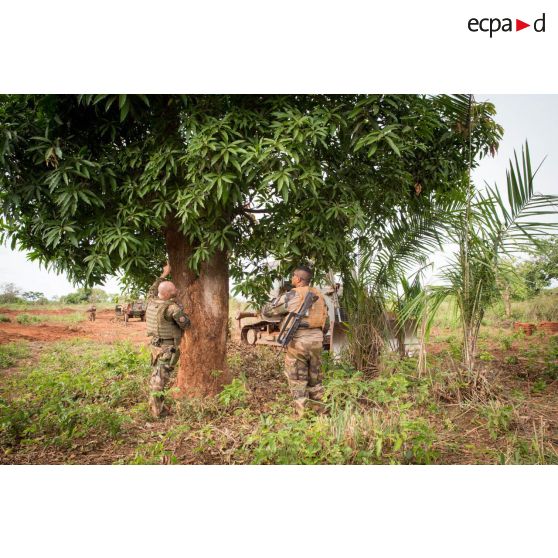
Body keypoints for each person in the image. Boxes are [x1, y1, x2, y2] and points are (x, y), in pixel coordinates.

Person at [261, 265, 329, 417]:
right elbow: (327, 322)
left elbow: (268, 311)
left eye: (293, 276)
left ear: (298, 279)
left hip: (298, 341)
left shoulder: (292, 295)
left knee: (298, 381)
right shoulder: (320, 296)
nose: (292, 278)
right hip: (317, 342)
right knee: (316, 381)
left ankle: (303, 418)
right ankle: (322, 415)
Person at [145, 263, 190, 418]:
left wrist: (164, 274)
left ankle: (155, 406)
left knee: (156, 375)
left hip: (155, 346)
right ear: (170, 294)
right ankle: (157, 412)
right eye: (174, 290)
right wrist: (181, 308)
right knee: (160, 380)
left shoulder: (151, 301)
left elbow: (152, 289)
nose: (176, 291)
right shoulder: (172, 309)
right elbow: (186, 324)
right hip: (167, 348)